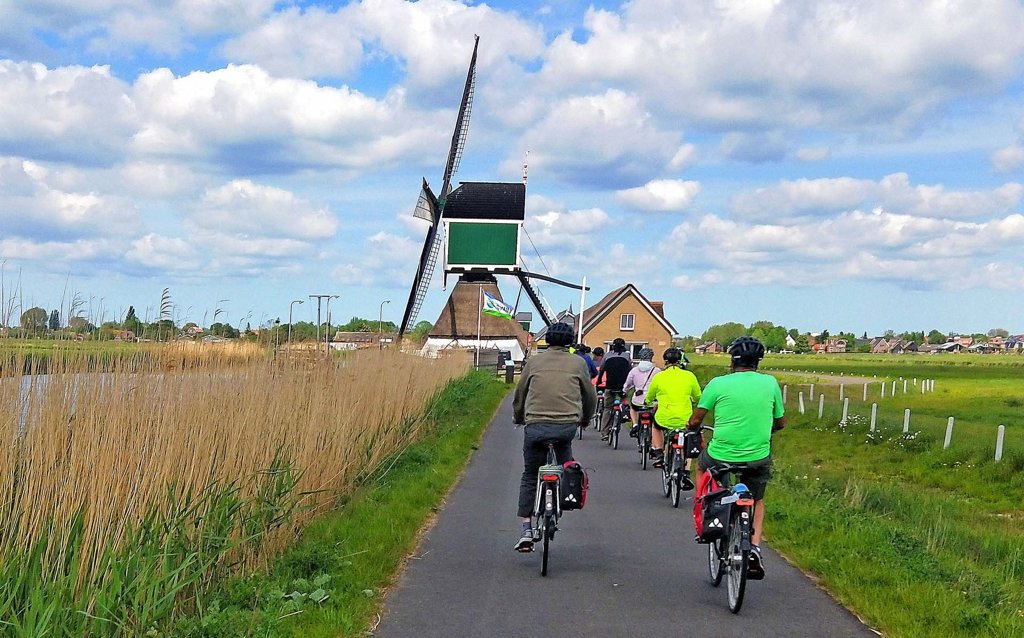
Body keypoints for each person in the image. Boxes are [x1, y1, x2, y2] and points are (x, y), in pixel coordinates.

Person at [687, 336, 785, 578]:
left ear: (733, 361)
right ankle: (754, 549)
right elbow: (781, 422)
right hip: (758, 456)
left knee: (701, 467)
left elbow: (697, 419)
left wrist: (692, 427)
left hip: (721, 454)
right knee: (757, 499)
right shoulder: (770, 383)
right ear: (758, 362)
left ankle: (704, 509)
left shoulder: (718, 384)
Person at [512, 321, 597, 552]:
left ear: (547, 340)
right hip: (566, 426)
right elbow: (590, 395)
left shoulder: (535, 361)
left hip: (536, 425)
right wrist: (586, 418)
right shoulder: (578, 363)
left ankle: (526, 529)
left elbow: (520, 393)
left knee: (530, 474)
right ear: (570, 342)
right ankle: (563, 496)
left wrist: (519, 416)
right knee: (564, 463)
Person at [645, 347, 702, 473]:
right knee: (689, 438)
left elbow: (650, 396)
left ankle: (659, 452)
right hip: (685, 418)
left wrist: (648, 402)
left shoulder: (659, 376)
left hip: (664, 417)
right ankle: (686, 471)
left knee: (656, 426)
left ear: (665, 361)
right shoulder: (689, 376)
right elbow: (698, 396)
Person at [596, 337, 632, 440]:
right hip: (622, 386)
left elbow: (602, 370)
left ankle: (604, 433)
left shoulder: (607, 356)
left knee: (607, 408)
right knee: (624, 400)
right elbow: (630, 370)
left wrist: (599, 381)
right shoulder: (627, 356)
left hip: (610, 386)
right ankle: (624, 413)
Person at [623, 347, 660, 429]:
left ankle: (635, 424)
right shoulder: (657, 371)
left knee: (633, 408)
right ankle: (653, 426)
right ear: (651, 357)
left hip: (637, 400)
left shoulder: (634, 370)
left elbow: (628, 383)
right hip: (653, 401)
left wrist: (624, 391)